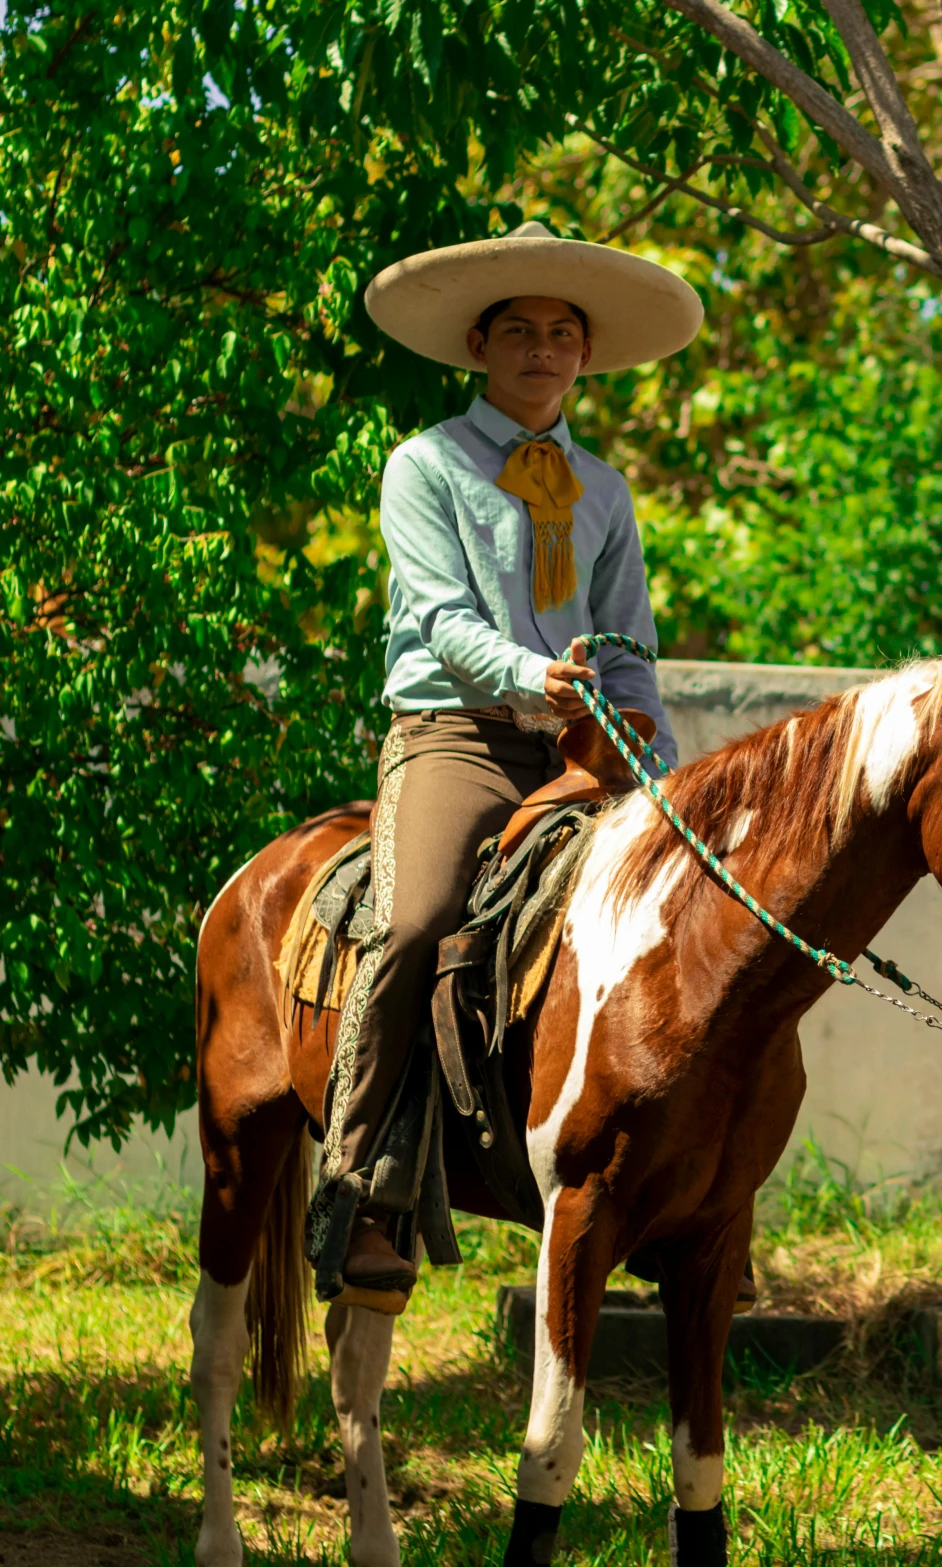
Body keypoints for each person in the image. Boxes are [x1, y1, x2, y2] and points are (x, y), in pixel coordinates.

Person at [314, 221, 701, 1309]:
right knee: (414, 919)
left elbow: (630, 646)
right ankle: (357, 1187)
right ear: (479, 344)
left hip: (580, 746)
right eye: (521, 330)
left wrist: (652, 762)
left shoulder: (606, 492)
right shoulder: (425, 462)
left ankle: (681, 1194)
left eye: (563, 333)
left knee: (682, 925)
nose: (544, 347)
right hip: (459, 734)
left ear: (586, 355)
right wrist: (539, 678)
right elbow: (438, 618)